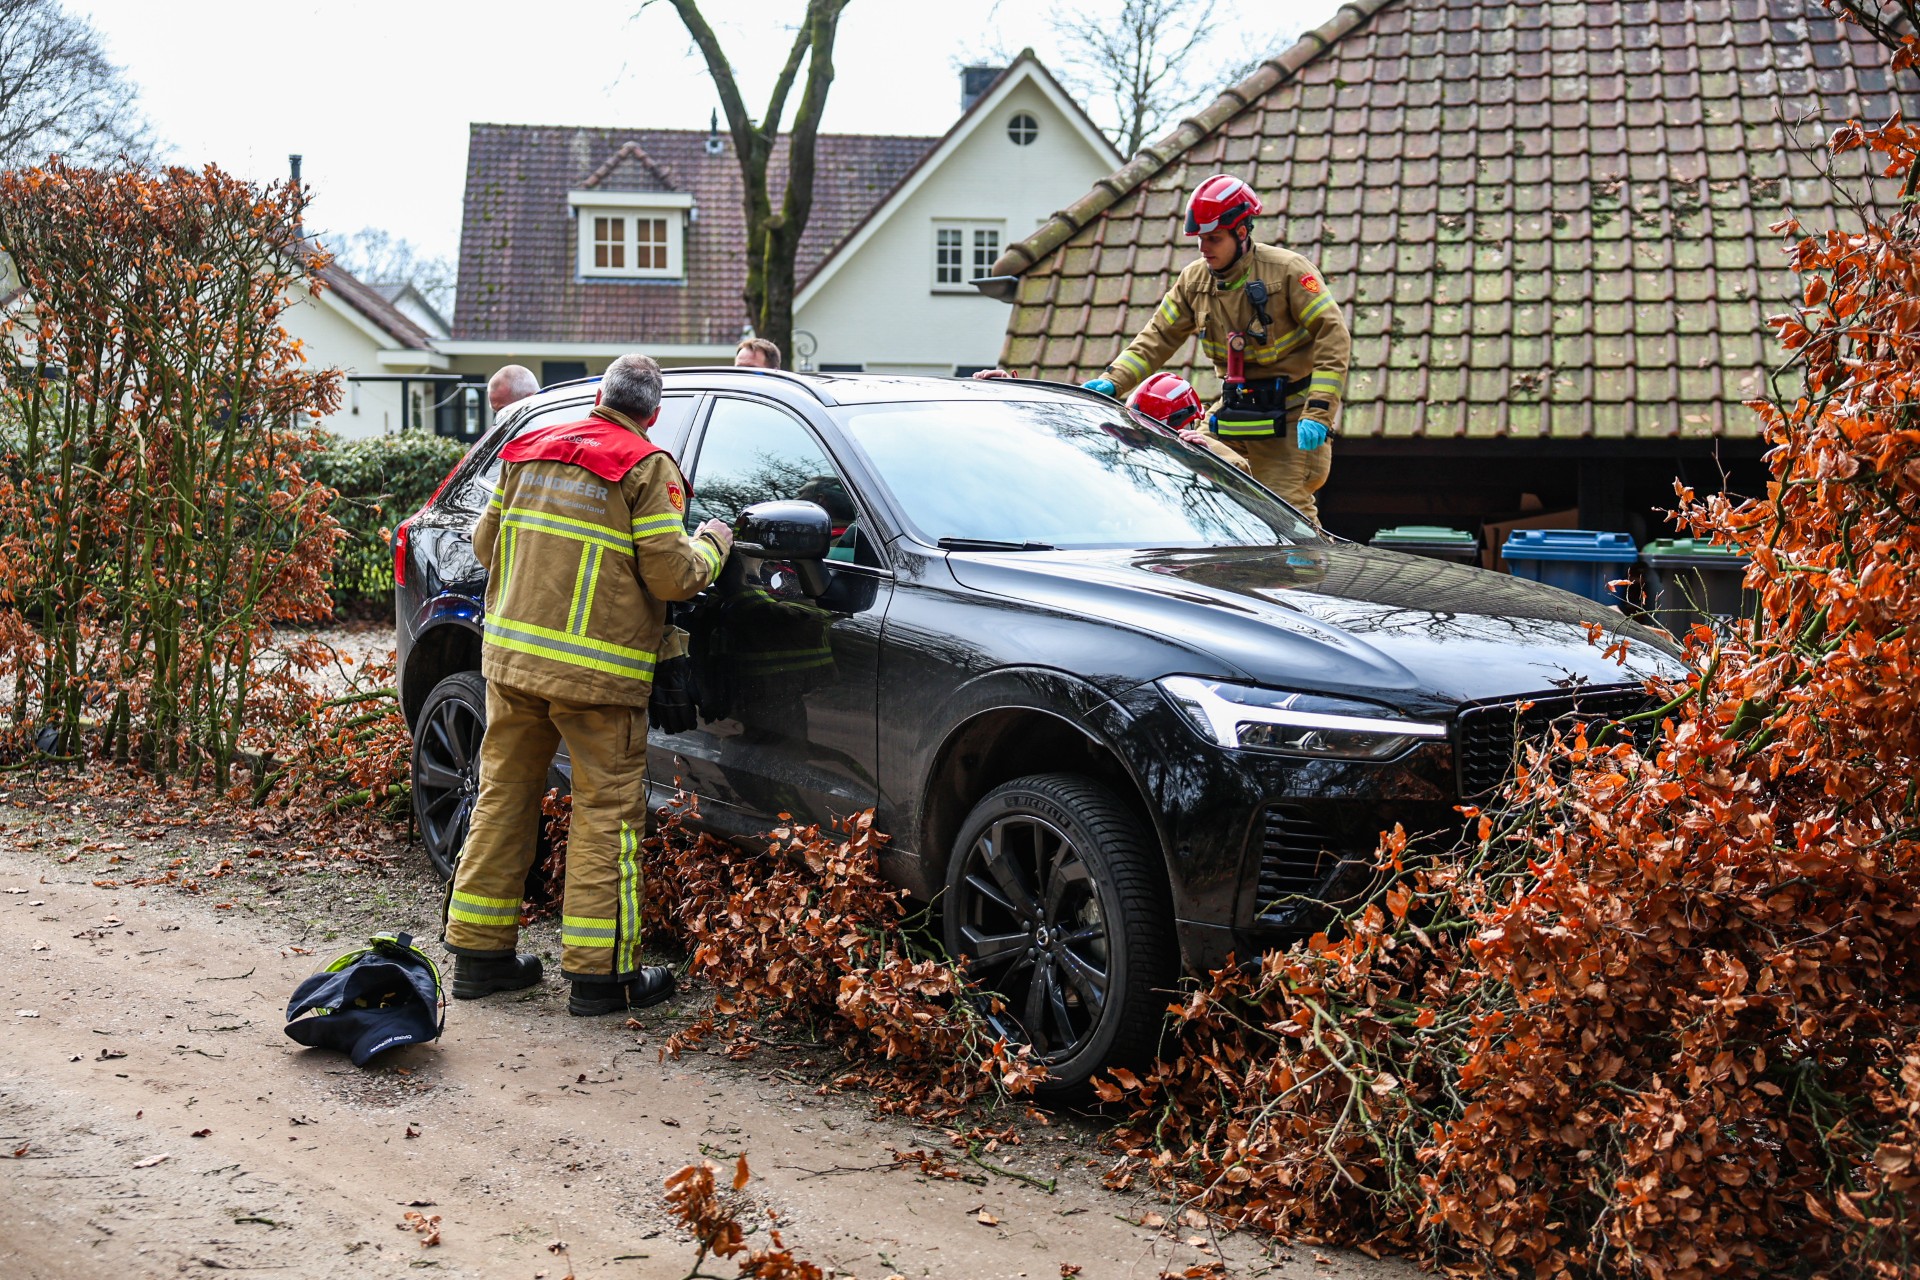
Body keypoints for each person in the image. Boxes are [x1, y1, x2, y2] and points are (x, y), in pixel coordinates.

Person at [444, 353, 733, 1017]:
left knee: (503, 797)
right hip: (598, 680)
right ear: (652, 414)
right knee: (605, 815)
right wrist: (714, 544)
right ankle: (602, 978)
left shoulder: (528, 448)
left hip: (513, 666)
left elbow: (487, 547)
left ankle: (480, 958)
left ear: (599, 396)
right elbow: (671, 576)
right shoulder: (645, 467)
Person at [1082, 174, 1350, 524]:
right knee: (1188, 471)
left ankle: (1305, 579)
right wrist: (1113, 381)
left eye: (1214, 238)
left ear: (1242, 232)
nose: (1204, 248)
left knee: (1286, 518)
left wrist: (1318, 413)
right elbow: (1157, 337)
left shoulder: (1287, 272)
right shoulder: (1194, 281)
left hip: (1291, 417)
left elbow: (1333, 335)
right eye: (1200, 240)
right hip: (1236, 409)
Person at [1128, 371, 1251, 473]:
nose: (1151, 442)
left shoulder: (1203, 441)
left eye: (1152, 434)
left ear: (1179, 418)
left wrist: (1208, 456)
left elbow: (1241, 473)